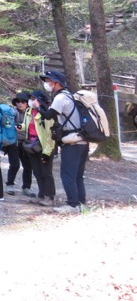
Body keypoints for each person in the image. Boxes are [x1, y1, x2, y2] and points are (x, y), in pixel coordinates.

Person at [38, 70, 88, 214]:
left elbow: (49, 115)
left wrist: (37, 107)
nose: (47, 84)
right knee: (78, 175)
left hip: (71, 141)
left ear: (57, 82)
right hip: (82, 140)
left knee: (67, 174)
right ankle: (81, 204)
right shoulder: (70, 96)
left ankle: (72, 205)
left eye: (49, 81)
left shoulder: (60, 98)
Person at [23, 89, 57, 207]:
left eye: (33, 99)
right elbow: (27, 125)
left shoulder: (46, 114)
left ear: (40, 101)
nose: (31, 101)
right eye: (30, 99)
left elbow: (50, 135)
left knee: (46, 172)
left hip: (44, 146)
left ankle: (50, 197)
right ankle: (41, 195)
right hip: (31, 145)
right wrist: (20, 127)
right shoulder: (29, 111)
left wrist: (47, 152)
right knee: (37, 172)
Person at [5, 91, 35, 197]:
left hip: (27, 143)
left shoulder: (32, 113)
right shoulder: (13, 113)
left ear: (27, 102)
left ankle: (26, 187)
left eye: (23, 101)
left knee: (28, 166)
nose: (20, 103)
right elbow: (7, 124)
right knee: (15, 165)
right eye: (18, 101)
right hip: (14, 143)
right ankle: (9, 184)